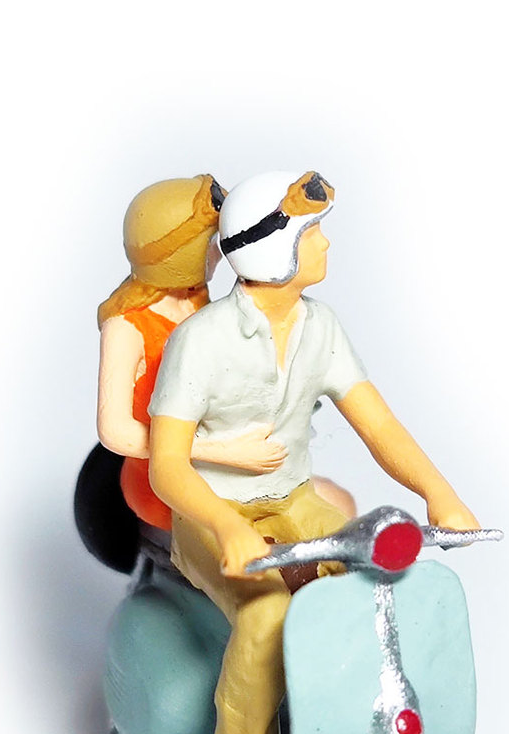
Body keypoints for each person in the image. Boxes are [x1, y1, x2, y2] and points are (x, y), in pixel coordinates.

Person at [146, 170, 478, 734]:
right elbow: (167, 466)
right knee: (266, 614)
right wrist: (226, 527)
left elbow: (378, 426)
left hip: (295, 500)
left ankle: (349, 729)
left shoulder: (320, 327)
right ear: (277, 250)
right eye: (313, 233)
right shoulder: (201, 341)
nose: (325, 244)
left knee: (371, 580)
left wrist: (437, 491)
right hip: (213, 511)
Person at [96, 175, 353, 529]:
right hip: (170, 478)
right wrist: (227, 452)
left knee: (339, 504)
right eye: (211, 243)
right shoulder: (127, 327)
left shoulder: (199, 303)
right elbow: (115, 432)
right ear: (184, 253)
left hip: (232, 465)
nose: (220, 252)